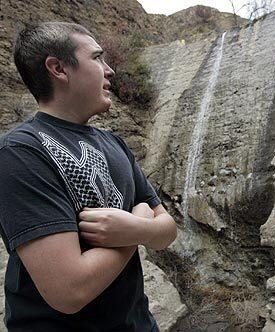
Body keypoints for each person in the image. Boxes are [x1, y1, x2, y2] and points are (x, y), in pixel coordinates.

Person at [0, 22, 177, 331]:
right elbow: (70, 291)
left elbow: (168, 230)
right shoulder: (19, 151)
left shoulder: (115, 144)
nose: (109, 71)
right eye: (97, 58)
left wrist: (133, 227)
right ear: (58, 68)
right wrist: (135, 233)